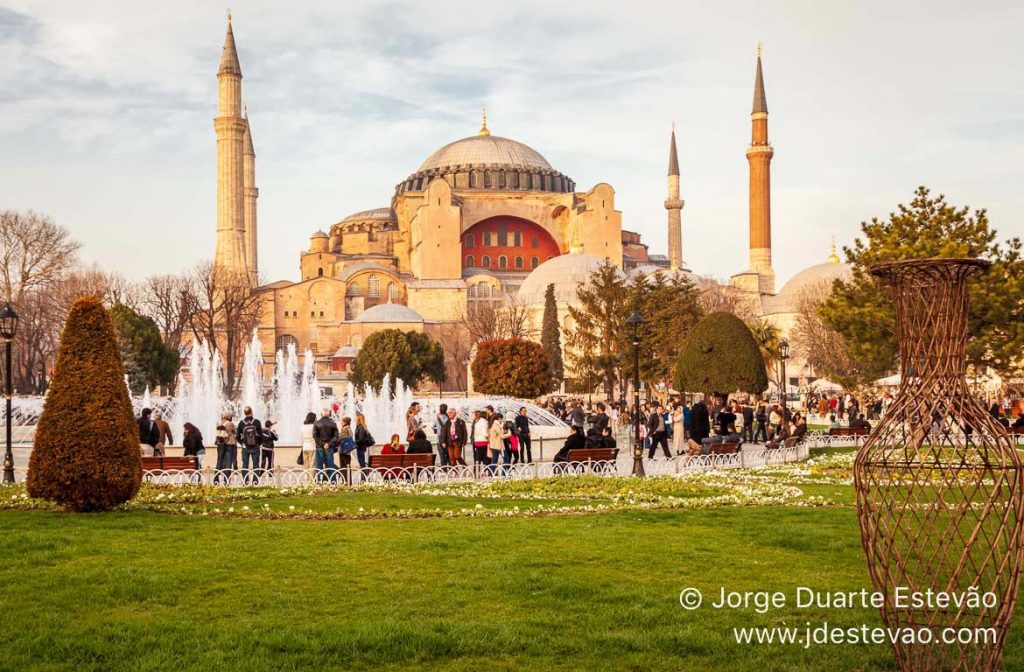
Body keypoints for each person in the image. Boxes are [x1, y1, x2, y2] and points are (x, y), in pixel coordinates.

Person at [236, 406, 264, 485]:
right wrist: (258, 444)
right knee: (256, 465)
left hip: (245, 448)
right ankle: (255, 482)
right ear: (251, 412)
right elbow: (261, 436)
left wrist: (243, 443)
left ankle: (246, 481)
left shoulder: (241, 423)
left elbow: (237, 437)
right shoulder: (257, 422)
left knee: (245, 465)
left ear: (244, 413)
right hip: (255, 447)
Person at [313, 409, 339, 484]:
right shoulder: (333, 423)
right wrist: (328, 444)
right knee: (330, 464)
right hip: (329, 447)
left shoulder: (316, 423)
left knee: (319, 465)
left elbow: (315, 436)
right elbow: (336, 436)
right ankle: (333, 481)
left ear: (321, 414)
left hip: (319, 447)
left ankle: (319, 481)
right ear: (329, 414)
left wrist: (322, 444)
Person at [214, 411, 236, 485]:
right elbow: (235, 431)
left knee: (219, 462)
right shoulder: (229, 423)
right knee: (228, 463)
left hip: (220, 444)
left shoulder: (219, 423)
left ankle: (216, 480)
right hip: (229, 444)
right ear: (229, 417)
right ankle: (226, 481)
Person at [337, 416, 355, 483]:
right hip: (348, 451)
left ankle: (346, 481)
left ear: (345, 422)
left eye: (341, 421)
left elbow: (340, 439)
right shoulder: (349, 428)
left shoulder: (344, 429)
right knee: (347, 466)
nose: (340, 422)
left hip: (343, 450)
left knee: (344, 466)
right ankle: (348, 481)